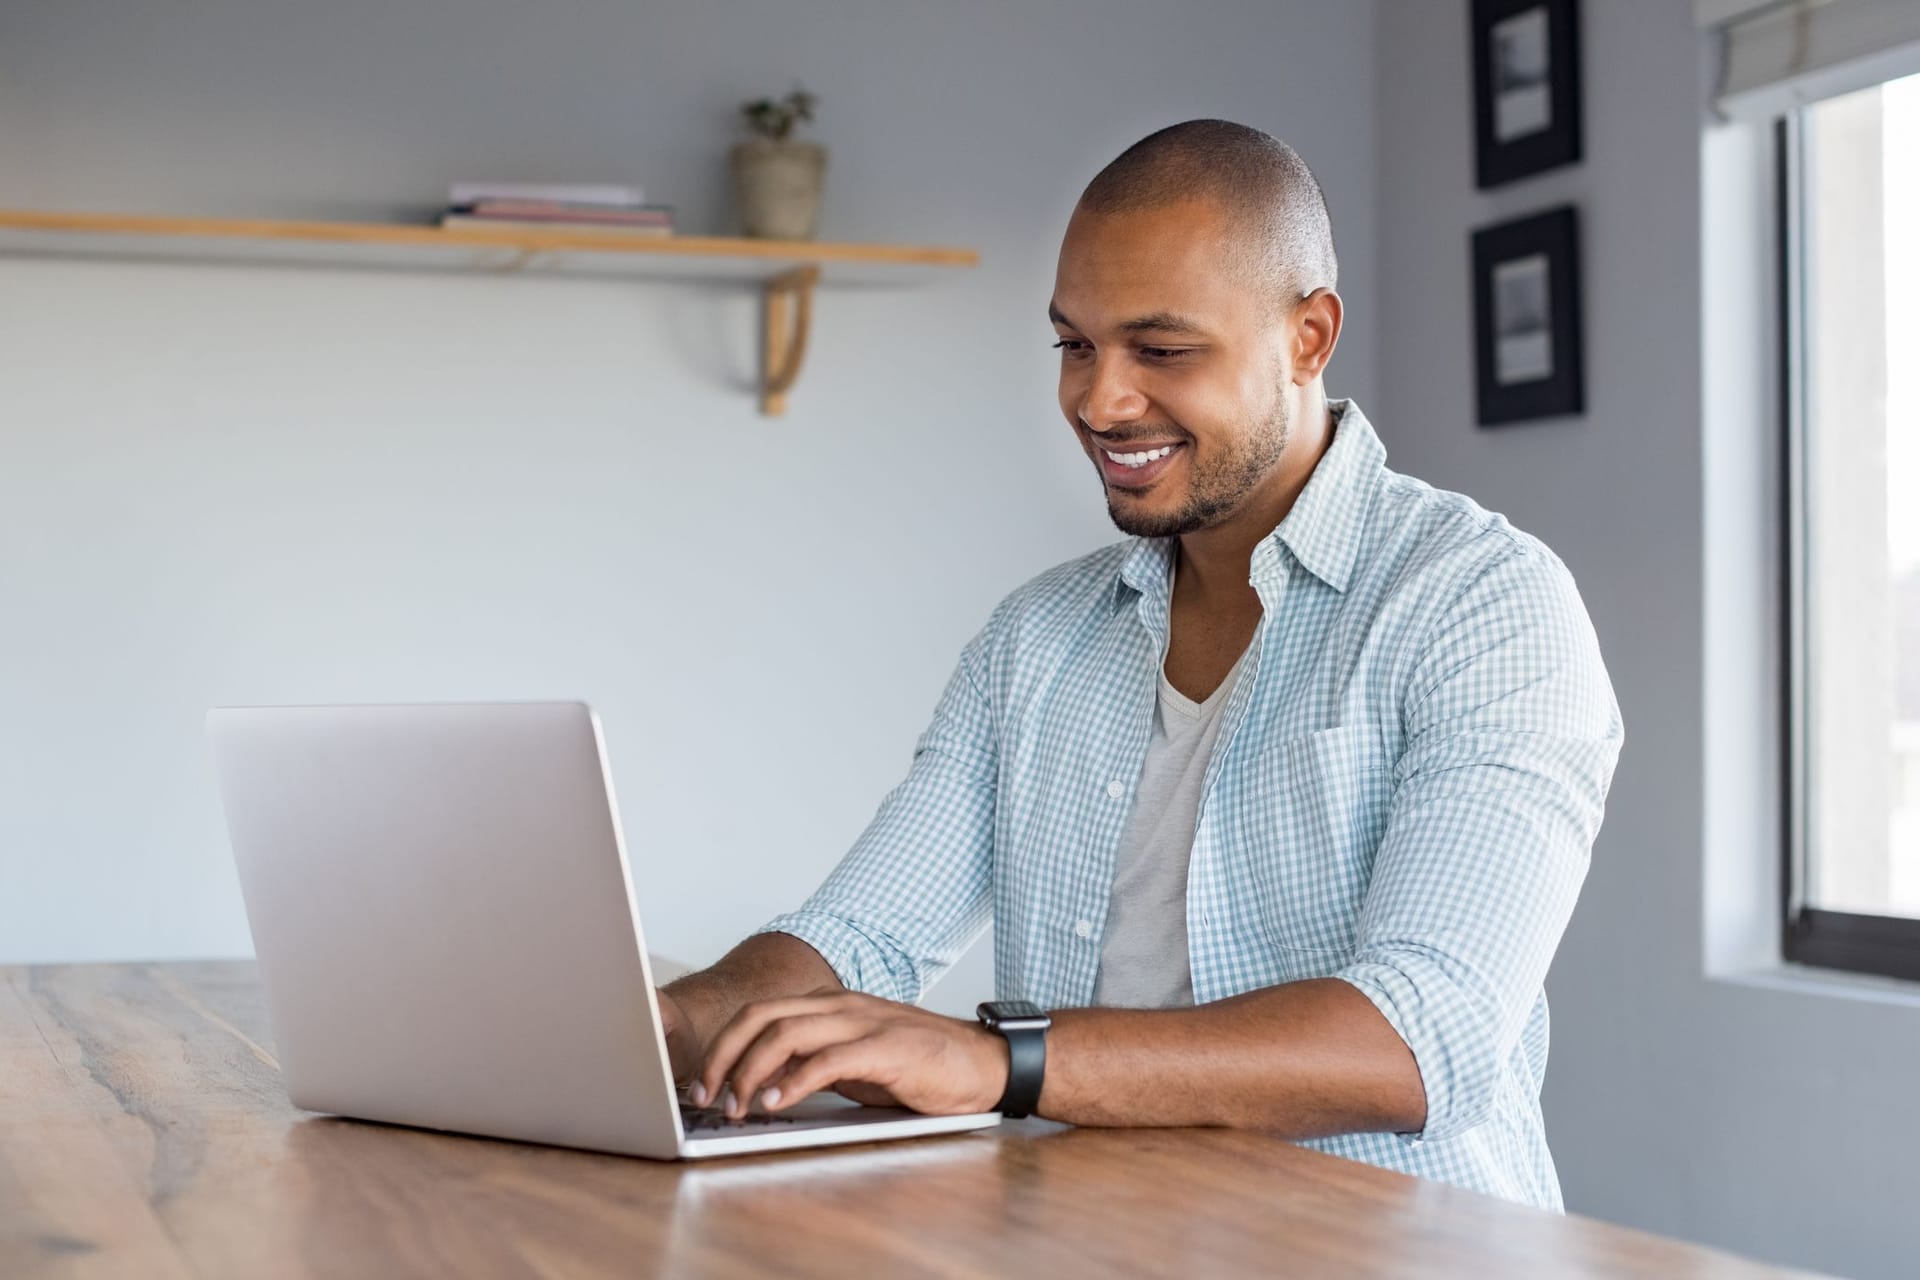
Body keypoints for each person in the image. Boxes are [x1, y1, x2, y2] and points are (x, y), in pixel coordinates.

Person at [656, 119, 1622, 1211]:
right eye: (1075, 345)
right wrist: (673, 1020)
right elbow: (859, 936)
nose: (1100, 402)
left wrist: (1003, 1059)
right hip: (1097, 1239)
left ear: (1308, 336)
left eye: (1161, 351)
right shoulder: (1036, 640)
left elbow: (1421, 1036)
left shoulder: (1479, 603)